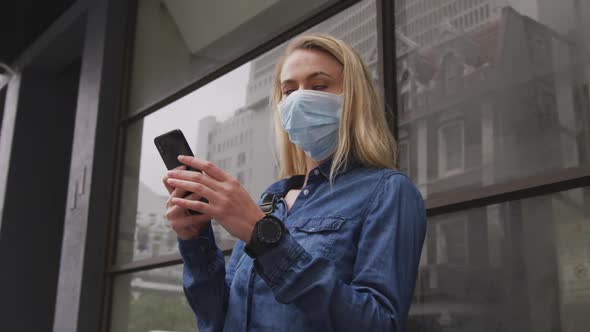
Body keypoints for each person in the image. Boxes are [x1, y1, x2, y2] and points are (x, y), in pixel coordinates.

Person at [162, 34, 427, 332]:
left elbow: (379, 324)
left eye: (318, 86)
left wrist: (264, 237)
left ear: (354, 98)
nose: (299, 99)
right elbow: (217, 320)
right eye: (288, 91)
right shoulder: (271, 200)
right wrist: (195, 237)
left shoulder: (388, 192)